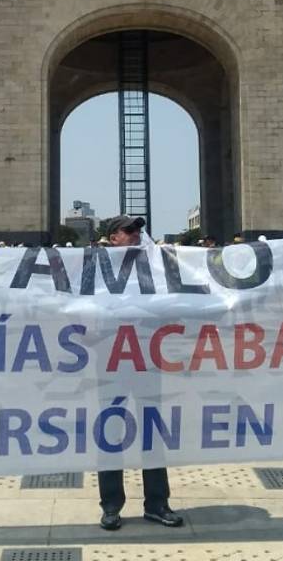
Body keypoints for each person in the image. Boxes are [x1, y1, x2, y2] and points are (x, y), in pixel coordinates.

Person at [96, 215, 183, 531]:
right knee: (110, 433)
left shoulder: (154, 265)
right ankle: (110, 506)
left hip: (147, 354)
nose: (136, 234)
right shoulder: (95, 266)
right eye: (128, 230)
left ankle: (158, 503)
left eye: (138, 230)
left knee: (152, 431)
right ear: (113, 237)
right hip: (111, 357)